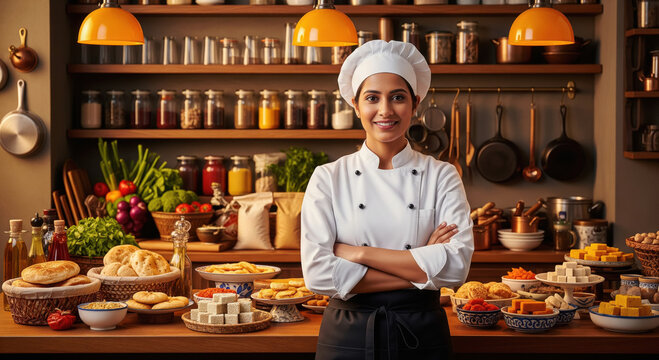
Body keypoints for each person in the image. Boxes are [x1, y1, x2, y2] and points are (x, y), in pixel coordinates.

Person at [300, 40, 474, 360]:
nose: (385, 110)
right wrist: (422, 265)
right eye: (372, 98)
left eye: (398, 97)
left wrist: (358, 253)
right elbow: (317, 274)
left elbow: (454, 270)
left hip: (421, 333)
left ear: (415, 103)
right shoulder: (328, 178)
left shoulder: (442, 176)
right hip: (347, 334)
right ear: (355, 104)